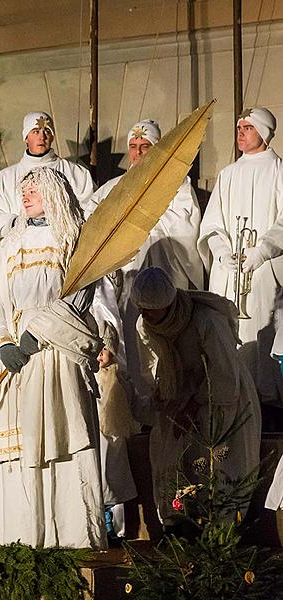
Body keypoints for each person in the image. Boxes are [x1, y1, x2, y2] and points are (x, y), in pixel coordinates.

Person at [0, 167, 105, 549]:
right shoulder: (10, 244)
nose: (25, 196)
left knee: (59, 441)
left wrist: (37, 333)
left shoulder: (73, 241)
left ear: (54, 194)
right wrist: (0, 344)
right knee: (22, 449)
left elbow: (77, 299)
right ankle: (22, 537)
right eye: (23, 190)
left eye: (34, 190)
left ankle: (71, 539)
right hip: (16, 361)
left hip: (54, 355)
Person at [90, 119, 204, 418]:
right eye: (134, 147)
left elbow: (183, 225)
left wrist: (137, 223)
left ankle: (174, 401)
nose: (139, 153)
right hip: (128, 278)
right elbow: (91, 222)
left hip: (164, 274)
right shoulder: (113, 188)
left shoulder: (176, 183)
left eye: (145, 147)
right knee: (132, 336)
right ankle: (140, 407)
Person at [132, 267, 261, 522]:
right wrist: (164, 396)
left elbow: (224, 372)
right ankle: (180, 524)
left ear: (167, 304)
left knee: (219, 464)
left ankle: (220, 530)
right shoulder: (146, 324)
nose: (145, 315)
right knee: (175, 460)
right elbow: (154, 364)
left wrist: (193, 407)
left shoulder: (206, 320)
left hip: (220, 398)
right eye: (142, 309)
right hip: (178, 395)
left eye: (151, 309)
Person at [198, 107, 283, 405]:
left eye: (247, 128)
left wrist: (263, 250)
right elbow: (212, 222)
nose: (241, 133)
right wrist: (221, 251)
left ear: (264, 132)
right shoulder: (228, 173)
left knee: (261, 335)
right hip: (230, 270)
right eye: (239, 128)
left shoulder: (278, 171)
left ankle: (266, 400)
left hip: (263, 269)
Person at [0, 112, 94, 215]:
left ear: (52, 137)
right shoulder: (5, 178)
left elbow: (92, 210)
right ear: (26, 138)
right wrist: (14, 223)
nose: (42, 137)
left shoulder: (76, 173)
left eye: (47, 131)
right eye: (36, 131)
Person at [95, 323, 139, 541]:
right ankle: (98, 524)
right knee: (98, 480)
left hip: (113, 438)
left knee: (113, 482)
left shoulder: (120, 378)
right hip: (95, 438)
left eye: (104, 350)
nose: (100, 355)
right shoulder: (87, 377)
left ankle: (116, 528)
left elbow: (133, 402)